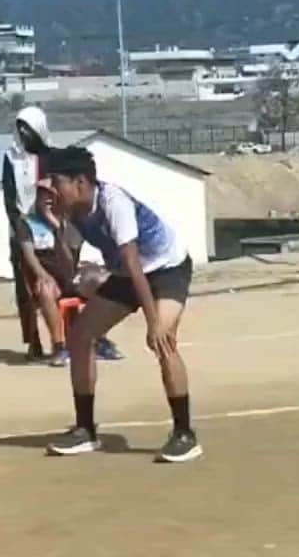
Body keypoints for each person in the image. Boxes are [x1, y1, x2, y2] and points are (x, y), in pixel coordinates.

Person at [40, 146, 201, 463]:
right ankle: (86, 430)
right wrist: (58, 226)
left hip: (166, 269)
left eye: (57, 182)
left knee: (162, 339)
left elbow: (131, 260)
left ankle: (185, 434)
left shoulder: (114, 202)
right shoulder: (73, 213)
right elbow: (68, 268)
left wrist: (153, 320)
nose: (53, 190)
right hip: (129, 275)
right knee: (81, 336)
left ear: (81, 183)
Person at [1, 106, 122, 363]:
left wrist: (57, 222)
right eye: (21, 130)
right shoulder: (12, 158)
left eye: (29, 130)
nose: (25, 136)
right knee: (31, 291)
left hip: (57, 239)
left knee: (92, 282)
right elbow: (10, 197)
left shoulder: (56, 159)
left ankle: (95, 337)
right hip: (26, 231)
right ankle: (42, 343)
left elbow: (72, 253)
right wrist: (23, 222)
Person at [16, 185, 82, 367]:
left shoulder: (63, 221)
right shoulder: (26, 223)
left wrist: (58, 229)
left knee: (99, 283)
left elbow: (70, 259)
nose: (48, 198)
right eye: (43, 194)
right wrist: (44, 275)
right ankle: (59, 346)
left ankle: (95, 342)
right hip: (45, 274)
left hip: (66, 274)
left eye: (52, 195)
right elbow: (29, 255)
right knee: (46, 290)